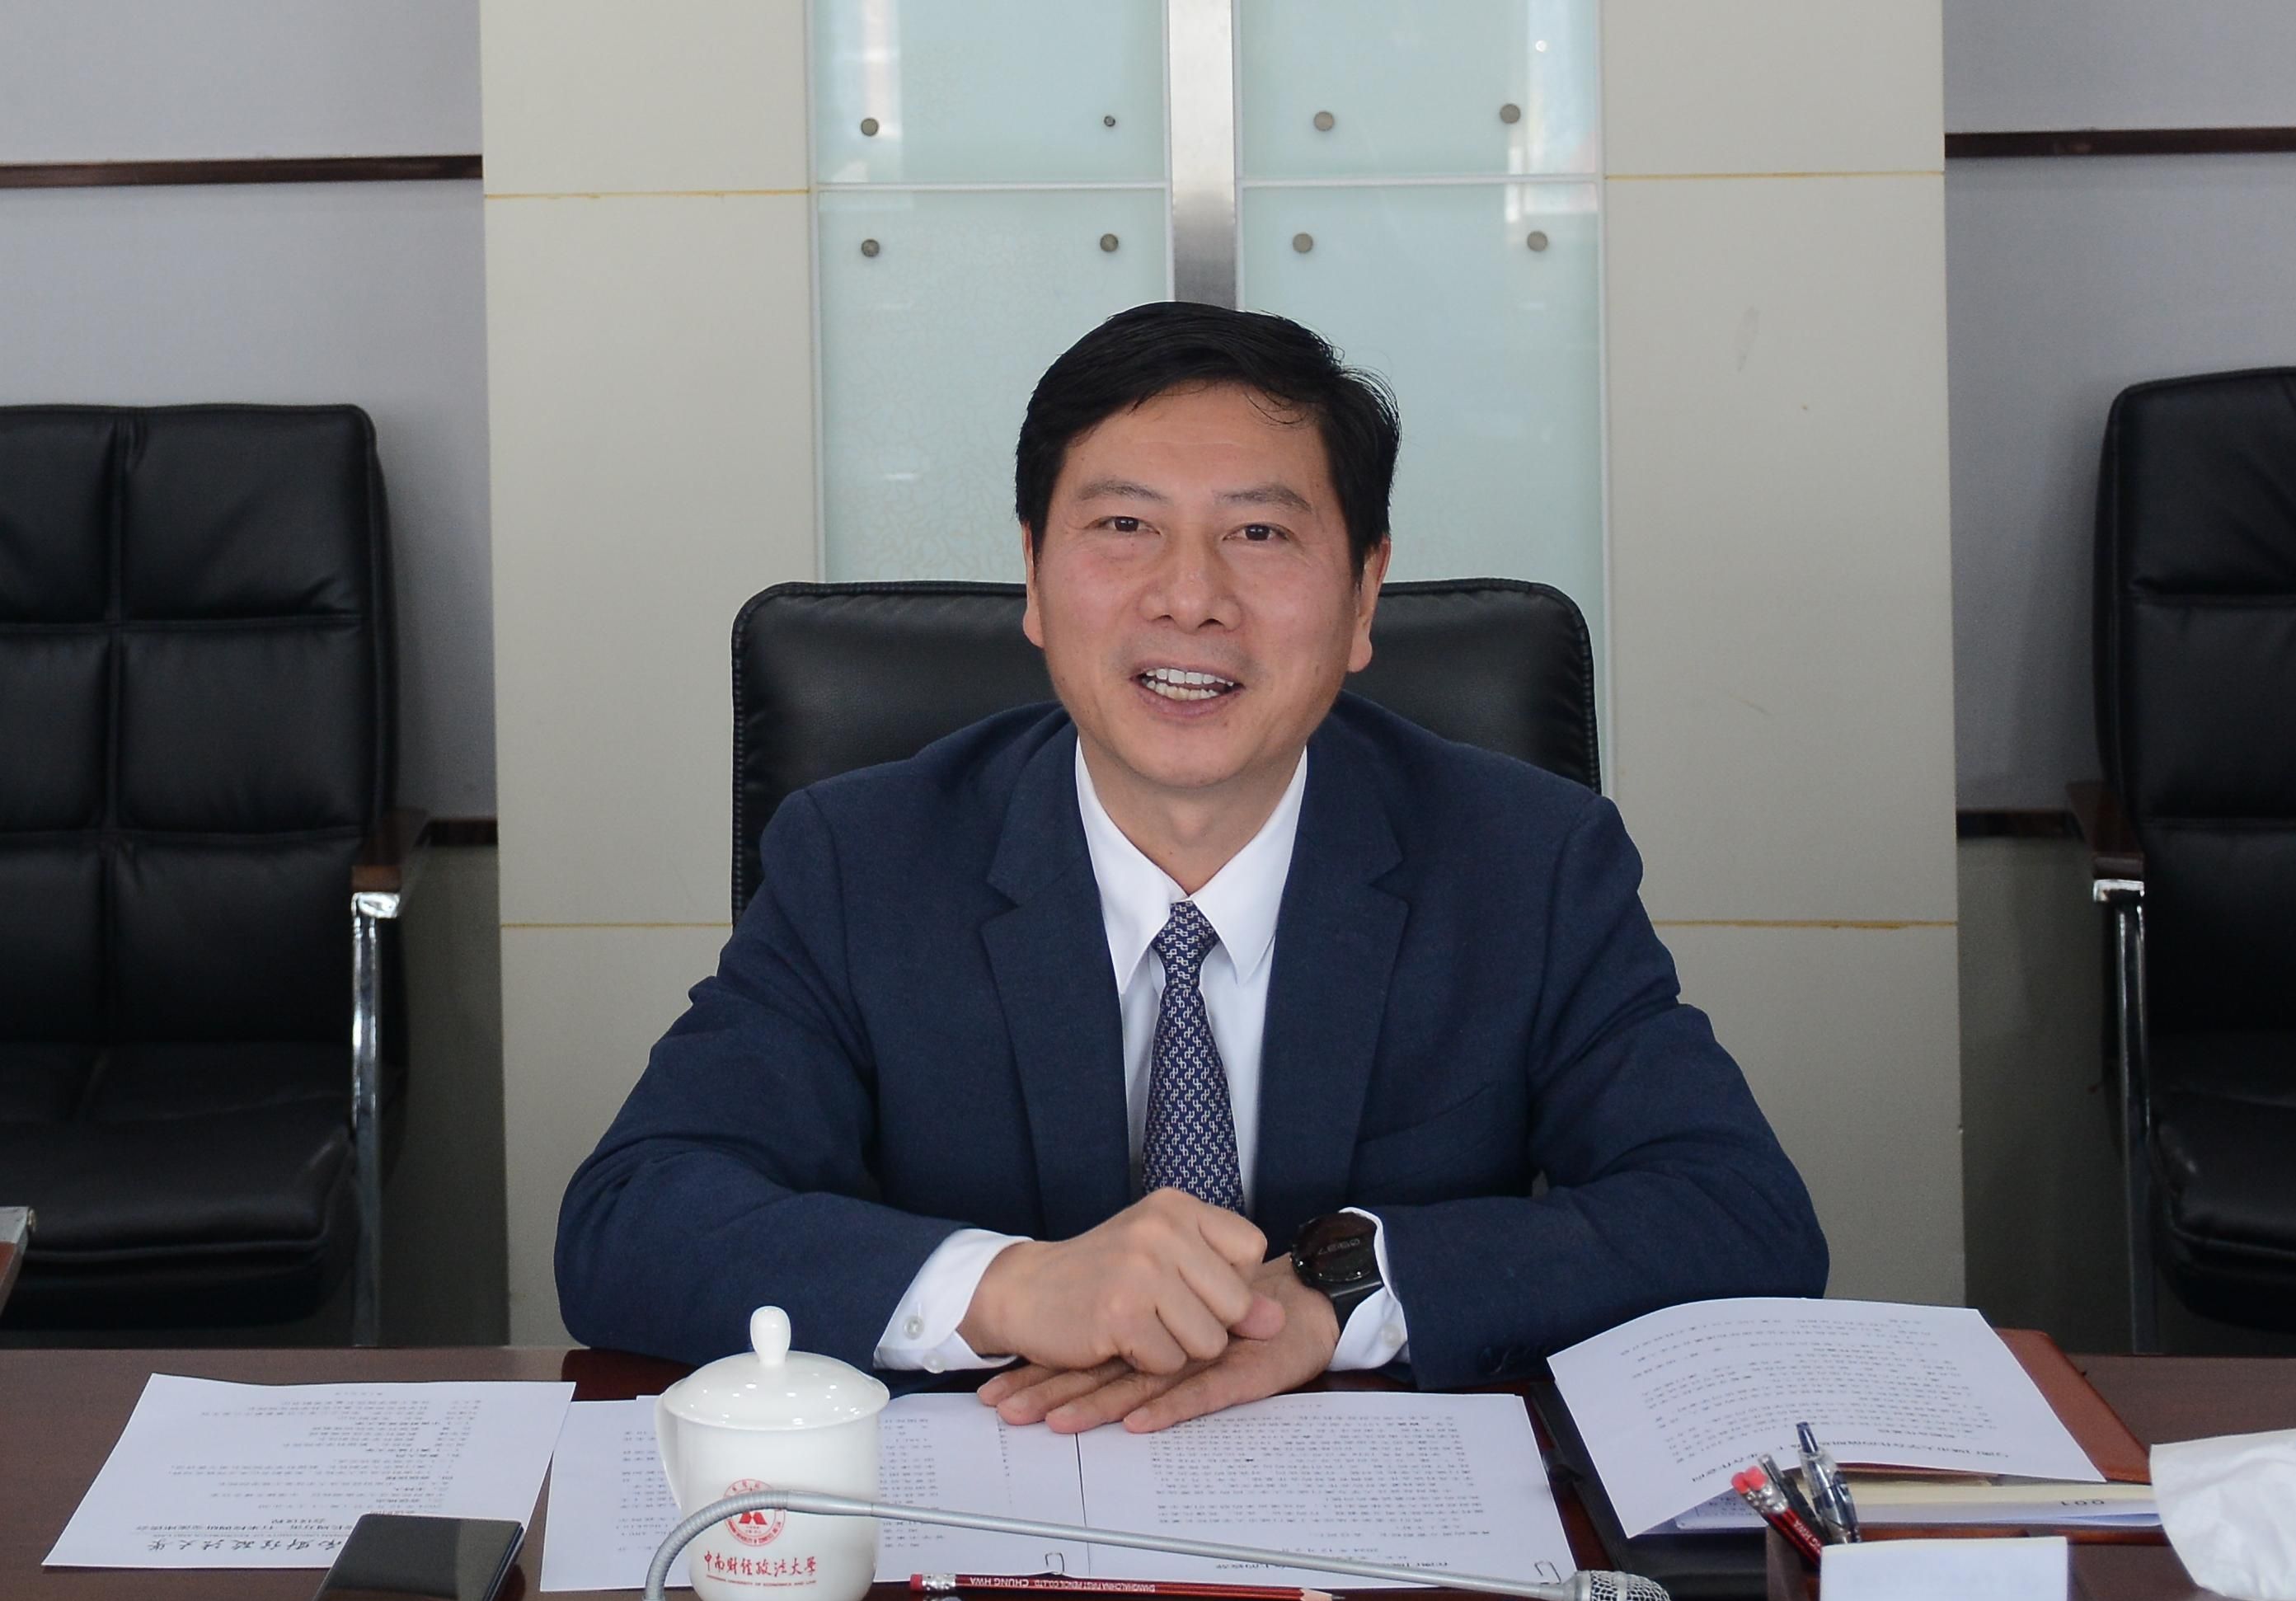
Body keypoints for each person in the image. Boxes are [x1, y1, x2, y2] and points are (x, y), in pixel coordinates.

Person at [556, 301, 1827, 1434]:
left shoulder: (1525, 860)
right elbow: (634, 1216)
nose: (1189, 597)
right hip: (993, 1499)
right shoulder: (864, 858)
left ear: (1364, 594)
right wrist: (1013, 1286)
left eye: (1260, 533)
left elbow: (1739, 1215)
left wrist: (1337, 1291)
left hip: (1383, 1526)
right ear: (1034, 578)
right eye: (1123, 526)